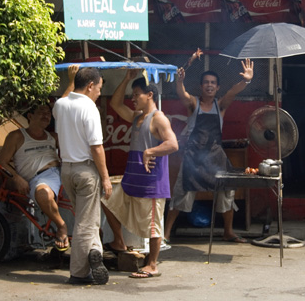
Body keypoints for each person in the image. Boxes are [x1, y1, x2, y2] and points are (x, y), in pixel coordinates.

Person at [163, 59, 254, 244]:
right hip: (193, 158)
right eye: (206, 82)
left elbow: (232, 92)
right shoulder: (193, 104)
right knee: (182, 194)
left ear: (217, 87)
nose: (210, 85)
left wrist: (246, 81)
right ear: (201, 86)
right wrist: (179, 81)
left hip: (215, 157)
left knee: (227, 191)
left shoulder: (220, 105)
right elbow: (183, 94)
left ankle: (228, 232)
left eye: (213, 83)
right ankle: (165, 235)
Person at [102, 70, 178, 278]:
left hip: (151, 184)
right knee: (107, 201)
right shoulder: (137, 117)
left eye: (137, 94)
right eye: (133, 95)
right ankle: (119, 241)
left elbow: (173, 144)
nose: (133, 98)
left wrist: (150, 151)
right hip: (131, 181)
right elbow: (116, 105)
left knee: (153, 226)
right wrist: (126, 79)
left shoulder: (158, 118)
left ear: (150, 95)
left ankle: (152, 264)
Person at [0, 65, 79, 251]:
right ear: (30, 116)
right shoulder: (17, 136)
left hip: (57, 173)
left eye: (48, 113)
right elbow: (1, 163)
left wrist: (72, 82)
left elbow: (62, 108)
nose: (46, 115)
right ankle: (62, 226)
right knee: (43, 193)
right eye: (41, 112)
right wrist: (16, 177)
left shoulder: (52, 137)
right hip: (38, 178)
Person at [53, 67, 113, 285]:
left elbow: (65, 98)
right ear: (90, 86)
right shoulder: (90, 108)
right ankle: (78, 272)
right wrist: (105, 178)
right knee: (85, 223)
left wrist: (70, 81)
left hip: (67, 170)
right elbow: (97, 147)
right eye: (99, 87)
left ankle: (95, 250)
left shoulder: (61, 105)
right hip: (86, 170)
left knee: (86, 217)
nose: (99, 92)